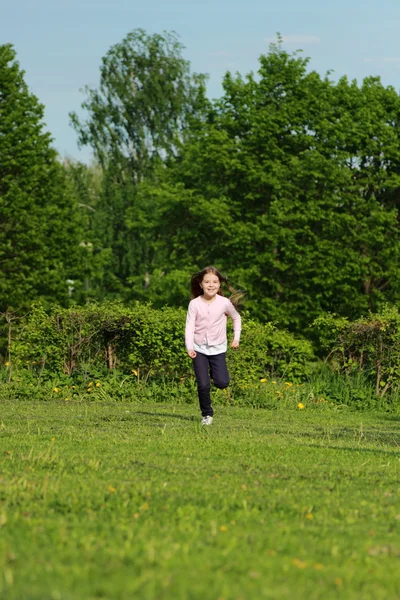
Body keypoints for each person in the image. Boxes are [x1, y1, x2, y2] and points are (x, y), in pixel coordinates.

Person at [185, 266, 243, 426]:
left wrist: (236, 338)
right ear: (200, 284)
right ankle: (207, 414)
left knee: (222, 383)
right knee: (203, 384)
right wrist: (189, 347)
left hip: (218, 349)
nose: (211, 285)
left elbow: (237, 318)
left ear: (219, 284)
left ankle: (213, 373)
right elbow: (189, 327)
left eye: (215, 282)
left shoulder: (224, 303)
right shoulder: (194, 304)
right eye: (207, 282)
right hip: (198, 349)